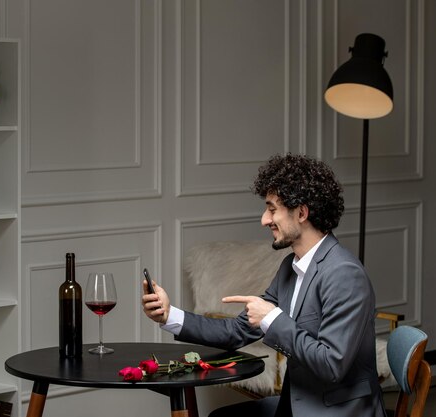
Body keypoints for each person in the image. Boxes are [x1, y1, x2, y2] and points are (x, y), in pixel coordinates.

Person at [142, 153, 386, 417]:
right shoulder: (290, 268)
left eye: (272, 209)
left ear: (301, 212)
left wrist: (273, 318)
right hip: (296, 403)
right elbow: (237, 331)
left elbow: (331, 364)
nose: (264, 220)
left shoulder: (344, 275)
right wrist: (170, 315)